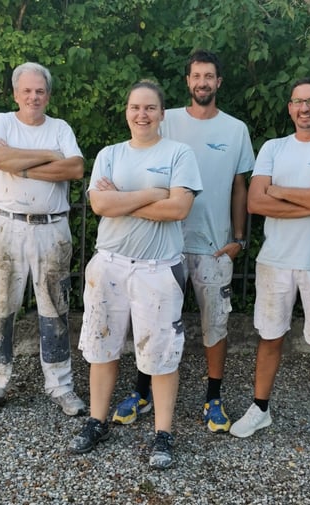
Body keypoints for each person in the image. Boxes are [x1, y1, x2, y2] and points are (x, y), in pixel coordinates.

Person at [112, 50, 255, 433]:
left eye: (209, 76)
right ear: (187, 81)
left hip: (214, 247)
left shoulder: (236, 129)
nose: (202, 82)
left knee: (215, 326)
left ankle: (213, 398)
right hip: (163, 245)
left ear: (218, 82)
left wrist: (239, 239)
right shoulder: (166, 119)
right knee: (152, 321)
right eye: (196, 76)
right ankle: (142, 392)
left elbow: (240, 187)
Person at [68, 80, 202, 470]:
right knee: (102, 347)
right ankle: (97, 421)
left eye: (150, 108)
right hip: (109, 265)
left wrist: (121, 200)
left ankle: (163, 433)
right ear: (126, 111)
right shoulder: (109, 154)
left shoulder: (179, 153)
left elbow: (178, 210)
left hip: (157, 270)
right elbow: (99, 205)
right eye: (135, 107)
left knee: (161, 355)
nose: (142, 115)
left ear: (162, 114)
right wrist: (153, 193)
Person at [229, 77, 310, 458]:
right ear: (289, 108)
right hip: (276, 260)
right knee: (270, 337)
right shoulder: (273, 148)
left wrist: (282, 192)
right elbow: (256, 202)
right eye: (298, 102)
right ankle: (260, 409)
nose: (305, 108)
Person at [0, 62, 85, 418]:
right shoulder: (1, 122)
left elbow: (75, 168)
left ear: (47, 95)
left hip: (52, 228)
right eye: (27, 91)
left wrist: (16, 164)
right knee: (0, 307)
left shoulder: (60, 128)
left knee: (55, 308)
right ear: (15, 93)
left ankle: (61, 386)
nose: (33, 97)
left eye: (40, 91)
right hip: (7, 226)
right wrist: (49, 156)